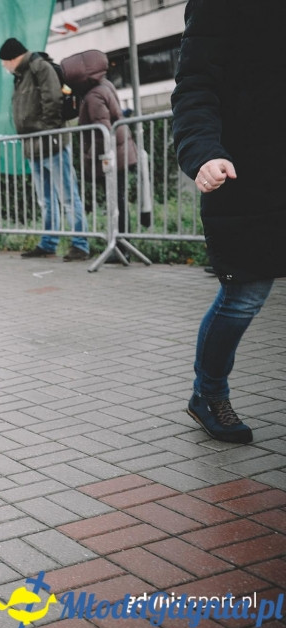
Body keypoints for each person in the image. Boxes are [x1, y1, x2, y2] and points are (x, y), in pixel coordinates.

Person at [171, 0, 285, 444]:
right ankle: (208, 394)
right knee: (244, 296)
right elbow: (195, 86)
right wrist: (203, 152)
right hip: (247, 173)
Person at [0, 38, 90, 261]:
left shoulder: (39, 67)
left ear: (13, 58)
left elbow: (53, 100)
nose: (4, 66)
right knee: (46, 200)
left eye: (4, 62)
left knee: (68, 197)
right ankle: (49, 243)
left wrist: (47, 131)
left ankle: (80, 244)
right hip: (35, 145)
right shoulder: (21, 75)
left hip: (51, 142)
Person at [61, 49, 138, 240]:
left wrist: (89, 156)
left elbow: (102, 132)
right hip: (119, 153)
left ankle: (120, 246)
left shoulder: (93, 96)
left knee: (115, 203)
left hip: (111, 157)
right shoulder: (105, 85)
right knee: (118, 201)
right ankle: (122, 245)